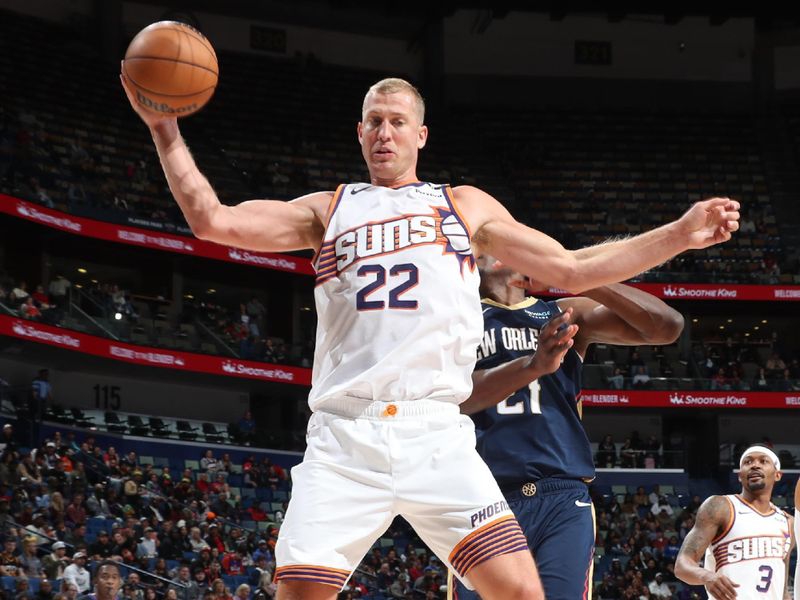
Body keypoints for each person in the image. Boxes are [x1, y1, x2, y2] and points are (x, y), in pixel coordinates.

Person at [121, 71, 739, 600]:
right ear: (359, 134)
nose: (383, 133)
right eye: (372, 122)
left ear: (419, 136)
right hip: (344, 438)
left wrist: (678, 234)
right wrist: (165, 129)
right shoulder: (327, 209)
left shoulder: (461, 206)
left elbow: (572, 268)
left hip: (434, 434)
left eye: (396, 122)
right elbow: (212, 221)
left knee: (523, 592)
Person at [454, 258, 683, 600]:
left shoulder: (562, 312)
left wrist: (579, 276)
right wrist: (532, 366)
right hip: (484, 494)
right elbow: (455, 400)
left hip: (560, 495)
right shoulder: (457, 318)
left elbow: (665, 327)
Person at [675, 446, 795, 600]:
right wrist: (706, 575)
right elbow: (682, 565)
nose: (755, 465)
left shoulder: (787, 522)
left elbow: (782, 587)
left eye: (763, 461)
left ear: (777, 475)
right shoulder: (720, 506)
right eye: (748, 462)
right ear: (740, 476)